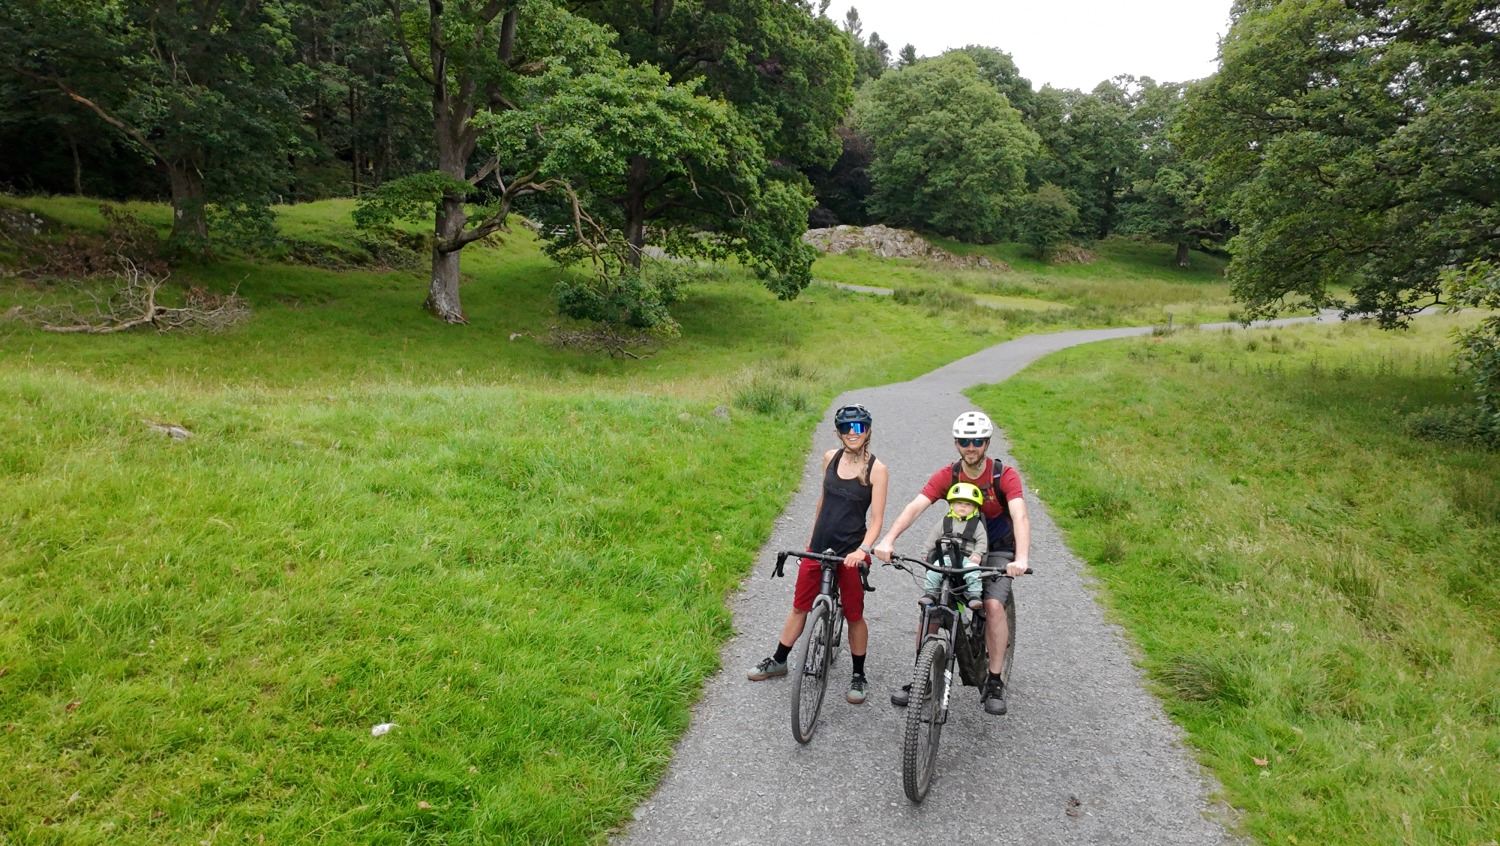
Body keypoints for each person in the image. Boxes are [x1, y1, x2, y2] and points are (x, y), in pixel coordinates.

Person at [872, 410, 1031, 716]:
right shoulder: (950, 474)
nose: (971, 447)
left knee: (994, 606)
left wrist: (1021, 558)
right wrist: (888, 540)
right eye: (964, 441)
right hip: (959, 546)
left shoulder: (1003, 476)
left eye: (977, 441)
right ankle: (924, 680)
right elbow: (916, 505)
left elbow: (1020, 515)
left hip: (997, 551)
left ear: (986, 443)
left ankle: (994, 681)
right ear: (956, 443)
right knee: (932, 604)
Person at [748, 403, 889, 705]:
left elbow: (876, 520)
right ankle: (779, 659)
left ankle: (859, 675)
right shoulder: (829, 458)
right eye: (847, 429)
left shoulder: (877, 470)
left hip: (851, 550)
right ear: (839, 432)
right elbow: (823, 501)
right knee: (800, 606)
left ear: (868, 431)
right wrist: (812, 540)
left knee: (853, 614)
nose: (854, 434)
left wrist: (862, 550)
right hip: (819, 546)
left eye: (859, 428)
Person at [920, 482, 988, 609]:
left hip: (967, 558)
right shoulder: (945, 522)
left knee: (974, 572)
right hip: (946, 558)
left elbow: (982, 541)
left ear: (975, 508)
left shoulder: (976, 524)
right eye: (959, 503)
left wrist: (977, 554)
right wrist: (925, 552)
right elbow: (932, 538)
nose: (963, 507)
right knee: (933, 571)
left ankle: (973, 596)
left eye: (968, 504)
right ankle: (931, 593)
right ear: (952, 504)